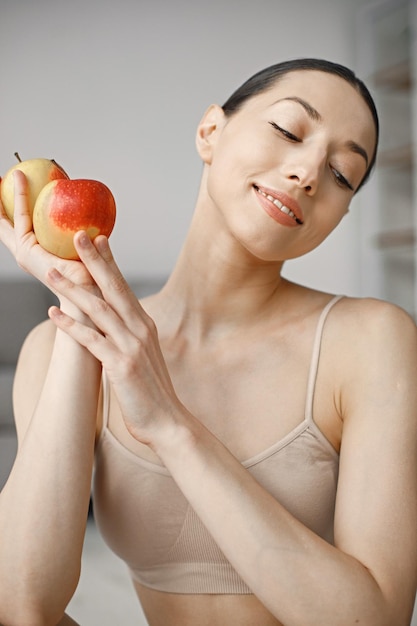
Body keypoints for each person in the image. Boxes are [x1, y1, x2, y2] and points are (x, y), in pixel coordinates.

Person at [0, 57, 416, 626]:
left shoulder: (372, 340)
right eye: (289, 131)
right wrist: (78, 301)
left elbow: (376, 619)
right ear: (210, 132)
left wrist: (169, 423)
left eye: (342, 174)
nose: (309, 173)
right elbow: (24, 606)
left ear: (341, 212)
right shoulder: (54, 347)